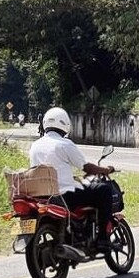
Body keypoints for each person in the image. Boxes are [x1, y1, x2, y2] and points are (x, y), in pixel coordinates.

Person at [29, 107, 115, 250]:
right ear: (65, 124)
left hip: (43, 196)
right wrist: (105, 170)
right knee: (104, 190)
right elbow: (86, 167)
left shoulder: (35, 146)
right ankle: (102, 239)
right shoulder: (65, 144)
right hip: (65, 196)